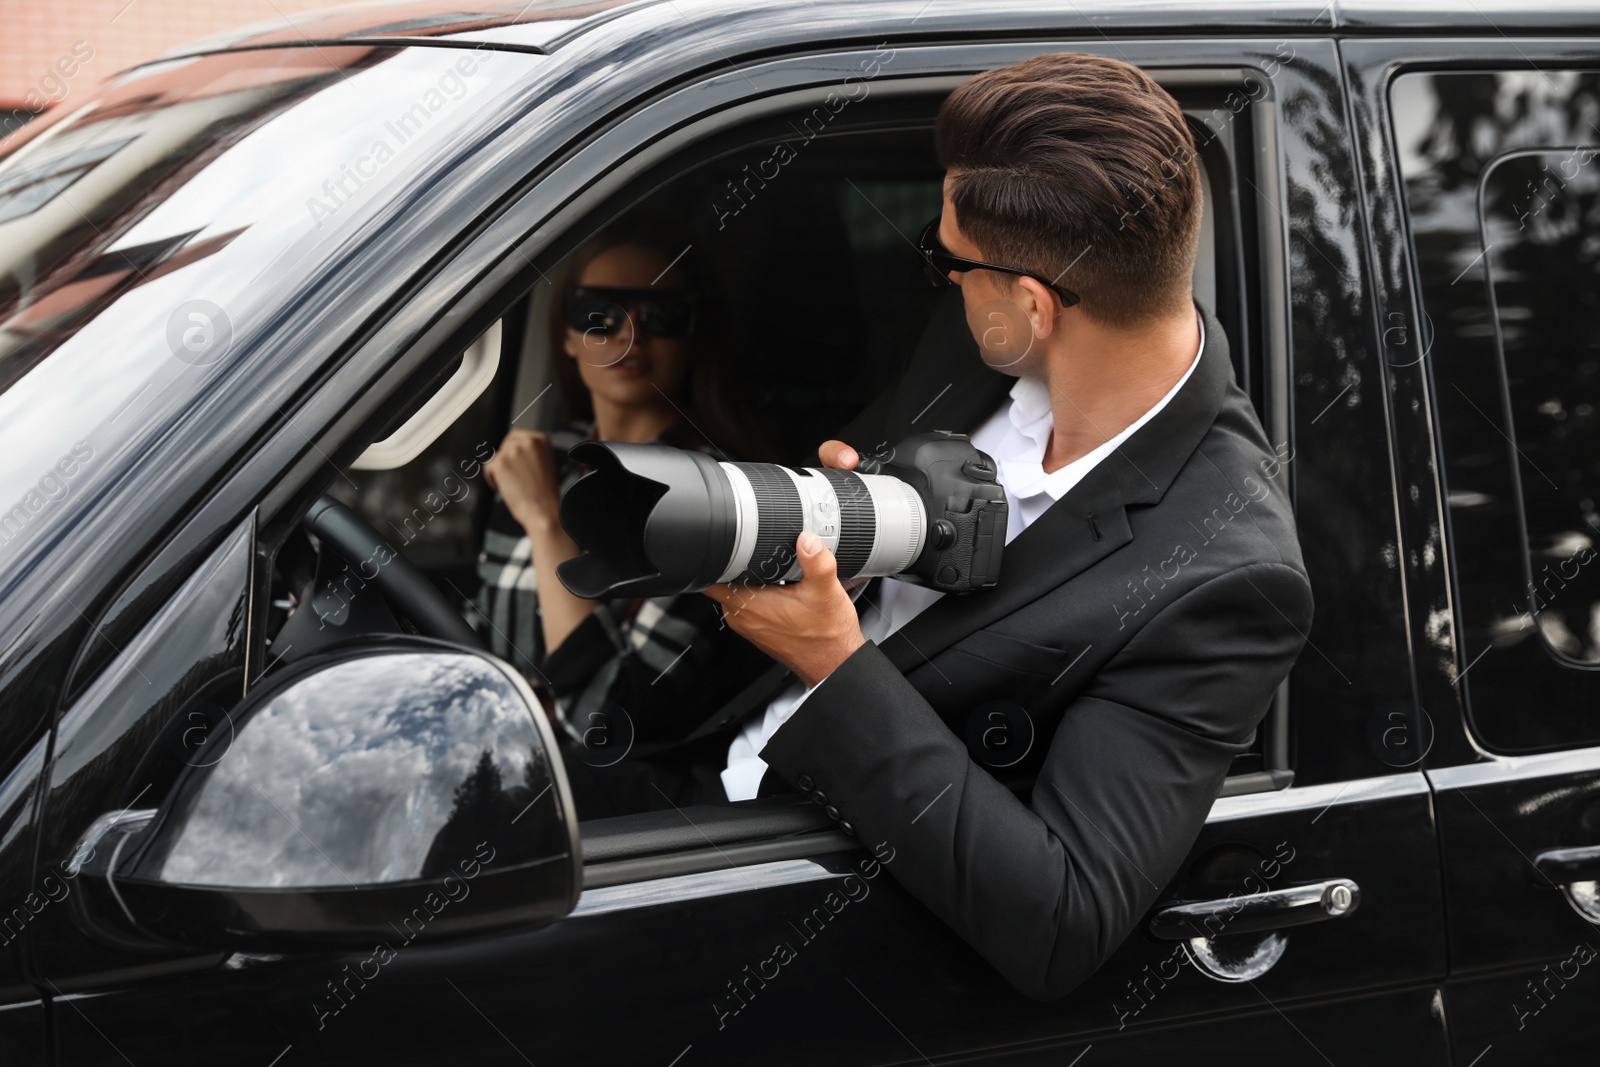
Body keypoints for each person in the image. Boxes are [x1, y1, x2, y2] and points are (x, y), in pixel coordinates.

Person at [616, 51, 1311, 1002]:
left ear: (1033, 304)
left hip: (801, 916)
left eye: (949, 262)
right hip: (680, 770)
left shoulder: (1228, 575)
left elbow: (1060, 918)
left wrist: (836, 664)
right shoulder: (975, 340)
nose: (940, 279)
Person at [471, 223, 772, 768]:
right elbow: (483, 642)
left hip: (596, 799)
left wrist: (546, 523)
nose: (630, 336)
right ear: (565, 335)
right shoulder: (537, 461)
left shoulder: (726, 497)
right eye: (599, 315)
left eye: (659, 314)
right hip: (493, 761)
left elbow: (612, 723)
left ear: (692, 334)